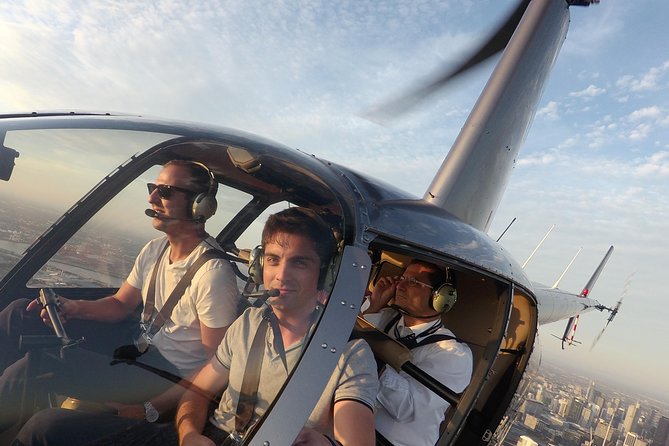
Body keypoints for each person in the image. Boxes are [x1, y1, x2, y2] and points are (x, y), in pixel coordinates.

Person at [2, 160, 240, 443]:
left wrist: (151, 408)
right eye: (152, 188)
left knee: (41, 363)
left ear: (200, 206)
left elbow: (216, 366)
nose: (152, 198)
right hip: (135, 351)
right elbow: (120, 305)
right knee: (19, 313)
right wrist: (73, 308)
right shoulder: (155, 249)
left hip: (164, 376)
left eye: (165, 191)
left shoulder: (214, 275)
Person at [176, 207, 379, 446]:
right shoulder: (247, 323)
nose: (281, 275)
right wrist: (189, 434)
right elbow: (197, 392)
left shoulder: (349, 354)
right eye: (273, 260)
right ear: (260, 265)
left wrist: (325, 444)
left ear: (326, 275)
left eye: (299, 263)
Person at [363, 260, 473, 446]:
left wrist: (363, 356)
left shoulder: (453, 354)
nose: (400, 286)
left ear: (440, 297)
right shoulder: (386, 317)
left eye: (413, 282)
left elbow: (406, 407)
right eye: (402, 278)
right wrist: (374, 304)